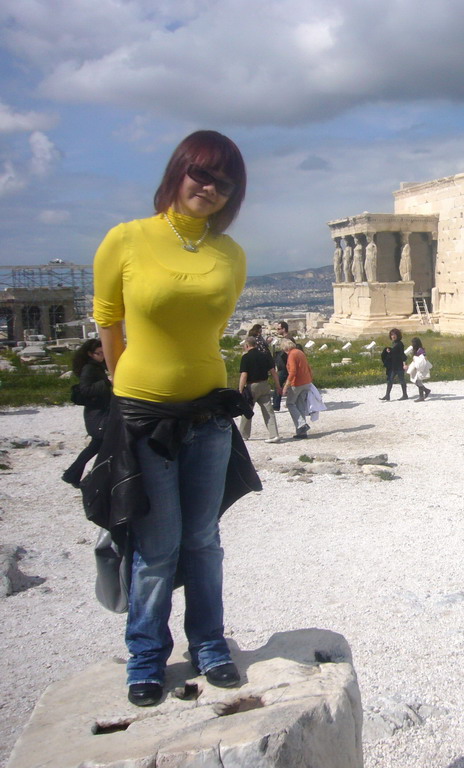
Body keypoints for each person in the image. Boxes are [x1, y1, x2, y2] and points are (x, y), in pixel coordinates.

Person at [91, 130, 253, 707]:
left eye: (224, 183)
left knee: (204, 539)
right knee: (157, 545)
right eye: (201, 175)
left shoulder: (230, 255)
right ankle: (146, 655)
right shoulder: (127, 239)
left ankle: (210, 644)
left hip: (208, 413)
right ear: (179, 171)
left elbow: (210, 328)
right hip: (145, 414)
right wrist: (123, 379)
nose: (210, 189)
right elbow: (108, 319)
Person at [61, 339, 112, 487]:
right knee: (97, 445)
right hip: (96, 413)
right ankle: (73, 474)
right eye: (99, 353)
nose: (102, 356)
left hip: (100, 411)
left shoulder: (97, 366)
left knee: (96, 446)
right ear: (90, 354)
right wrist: (107, 383)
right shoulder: (89, 368)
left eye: (103, 353)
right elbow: (85, 389)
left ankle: (73, 475)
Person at [238, 336, 281, 443]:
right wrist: (278, 386)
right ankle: (274, 434)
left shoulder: (246, 357)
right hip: (264, 384)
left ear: (247, 345)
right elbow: (273, 372)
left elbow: (244, 375)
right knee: (268, 410)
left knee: (247, 410)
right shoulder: (265, 355)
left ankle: (244, 435)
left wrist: (240, 389)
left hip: (252, 386)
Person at [279, 337, 313, 438]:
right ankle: (301, 433)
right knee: (300, 406)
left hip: (297, 383)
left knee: (290, 403)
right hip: (306, 382)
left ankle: (302, 425)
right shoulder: (300, 352)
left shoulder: (291, 355)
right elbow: (308, 367)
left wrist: (286, 386)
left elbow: (293, 371)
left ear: (285, 348)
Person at [380, 328, 408, 401]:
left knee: (401, 380)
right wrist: (389, 350)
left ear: (397, 335)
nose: (393, 336)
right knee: (390, 380)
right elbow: (394, 353)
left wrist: (404, 364)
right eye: (392, 335)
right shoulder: (394, 343)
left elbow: (402, 354)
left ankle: (405, 395)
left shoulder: (400, 344)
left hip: (399, 365)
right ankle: (387, 395)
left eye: (394, 334)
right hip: (394, 366)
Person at [271, 321, 293, 411]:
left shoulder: (289, 339)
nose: (277, 330)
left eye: (279, 329)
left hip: (285, 366)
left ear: (284, 329)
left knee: (279, 385)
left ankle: (276, 405)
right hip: (283, 365)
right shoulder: (284, 338)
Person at [406, 336, 433, 401]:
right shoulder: (415, 350)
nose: (413, 344)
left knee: (418, 381)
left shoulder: (421, 350)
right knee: (415, 380)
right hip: (416, 367)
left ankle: (421, 396)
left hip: (420, 368)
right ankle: (426, 390)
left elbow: (424, 359)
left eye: (414, 343)